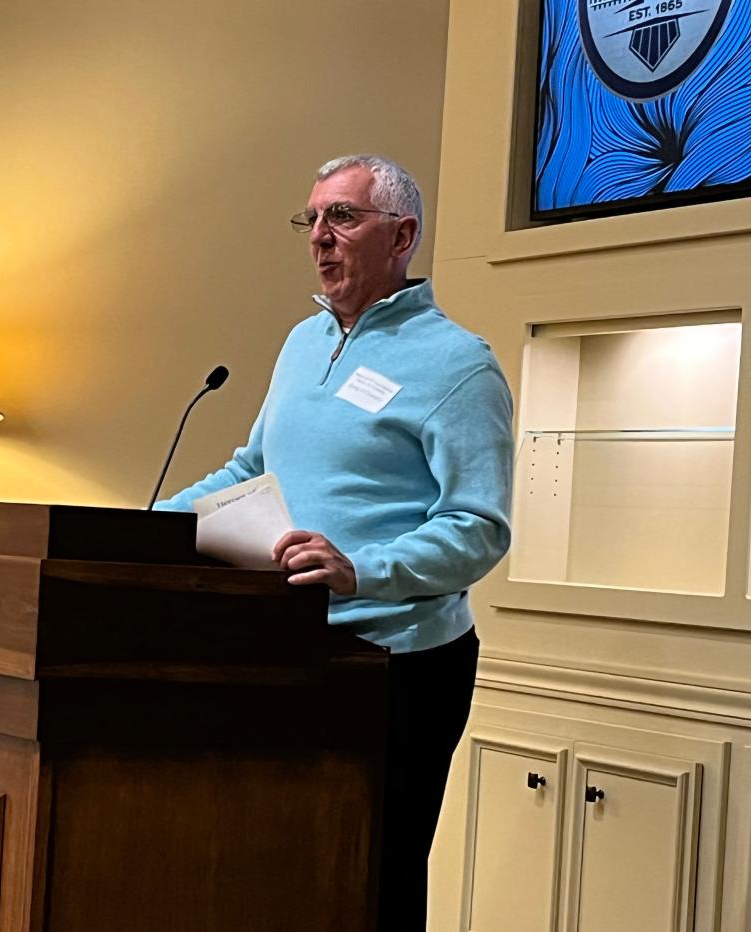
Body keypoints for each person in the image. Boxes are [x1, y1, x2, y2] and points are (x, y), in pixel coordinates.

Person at [155, 154, 513, 929]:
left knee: (370, 877)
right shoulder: (302, 341)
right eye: (312, 219)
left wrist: (361, 571)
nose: (320, 237)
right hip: (291, 644)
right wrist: (147, 522)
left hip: (400, 663)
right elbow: (255, 466)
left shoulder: (459, 364)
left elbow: (479, 527)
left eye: (343, 217)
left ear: (402, 236)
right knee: (288, 867)